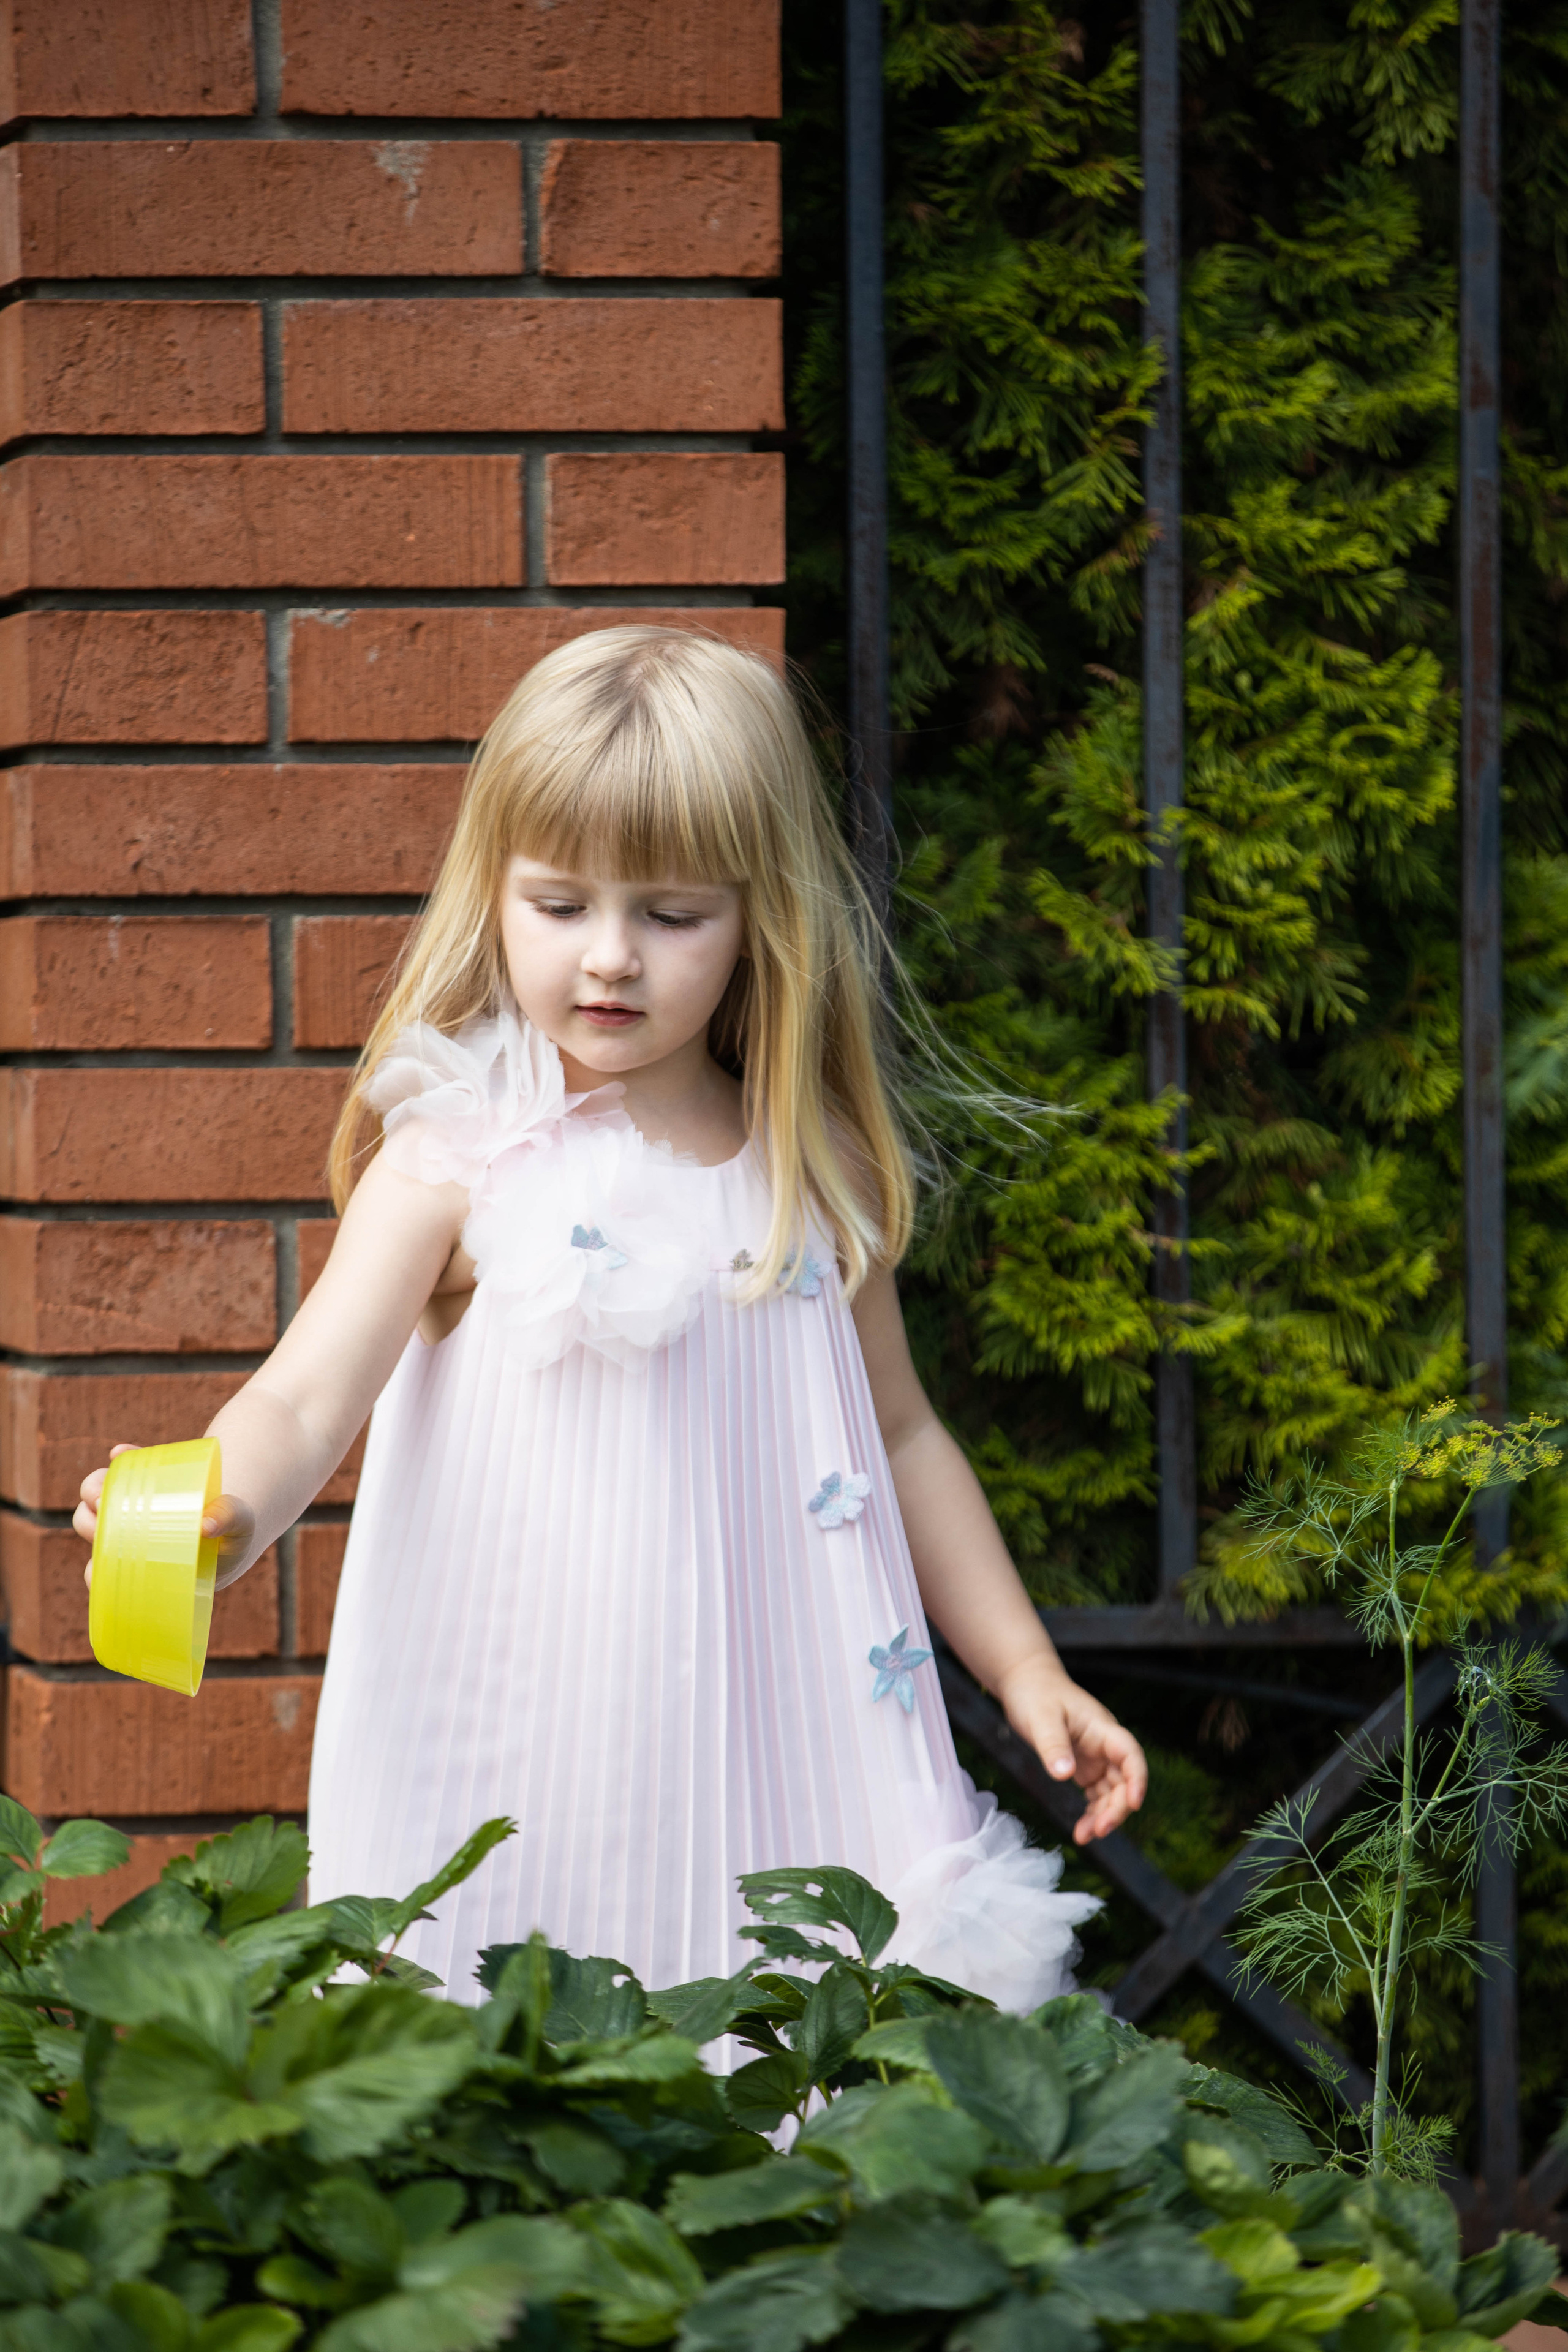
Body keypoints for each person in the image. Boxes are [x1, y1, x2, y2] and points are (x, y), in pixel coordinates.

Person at [75, 624, 1145, 2010]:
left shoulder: (810, 1172)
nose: (610, 959)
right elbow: (304, 1396)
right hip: (518, 1745)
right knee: (511, 2069)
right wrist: (219, 1511)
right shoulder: (455, 1154)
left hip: (786, 1742)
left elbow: (903, 1432)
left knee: (797, 2072)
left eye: (671, 913)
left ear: (761, 917)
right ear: (494, 893)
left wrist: (1024, 1666)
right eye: (560, 903)